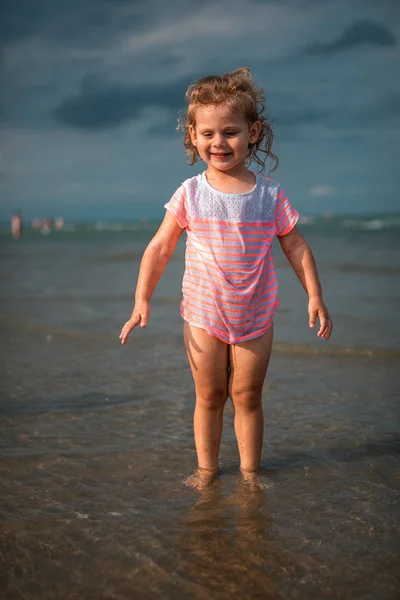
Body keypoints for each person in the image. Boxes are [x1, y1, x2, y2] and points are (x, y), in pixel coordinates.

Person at [120, 67, 333, 490]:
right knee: (210, 396)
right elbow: (159, 248)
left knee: (248, 397)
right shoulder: (190, 193)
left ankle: (251, 474)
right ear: (193, 137)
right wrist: (141, 300)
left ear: (253, 133)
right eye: (208, 133)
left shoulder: (269, 194)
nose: (219, 142)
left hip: (255, 313)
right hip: (203, 313)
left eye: (231, 132)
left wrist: (315, 296)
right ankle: (207, 471)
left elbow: (296, 245)